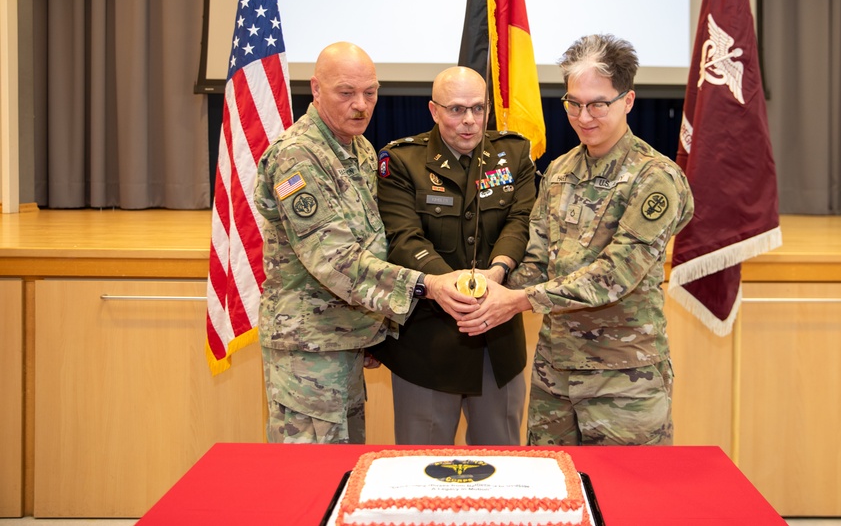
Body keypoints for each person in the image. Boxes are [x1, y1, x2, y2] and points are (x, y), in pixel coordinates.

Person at [457, 34, 694, 446]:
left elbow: (616, 274)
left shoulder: (655, 178)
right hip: (555, 377)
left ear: (628, 100)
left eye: (598, 104)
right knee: (554, 501)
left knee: (627, 505)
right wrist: (487, 286)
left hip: (624, 383)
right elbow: (536, 259)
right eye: (573, 103)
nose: (584, 117)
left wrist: (518, 302)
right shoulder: (562, 170)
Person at [253, 42, 476, 444]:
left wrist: (375, 328)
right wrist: (427, 285)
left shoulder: (359, 148)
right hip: (310, 352)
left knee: (343, 470)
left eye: (370, 93)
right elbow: (335, 259)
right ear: (316, 89)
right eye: (346, 93)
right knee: (310, 482)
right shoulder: (298, 157)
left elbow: (371, 240)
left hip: (347, 342)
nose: (361, 105)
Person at [370, 65, 537, 445]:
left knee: (503, 471)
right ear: (433, 111)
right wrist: (449, 285)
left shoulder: (514, 155)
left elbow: (521, 221)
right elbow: (403, 238)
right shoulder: (401, 162)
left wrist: (498, 271)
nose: (469, 121)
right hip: (427, 345)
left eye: (478, 109)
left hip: (497, 342)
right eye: (456, 109)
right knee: (422, 473)